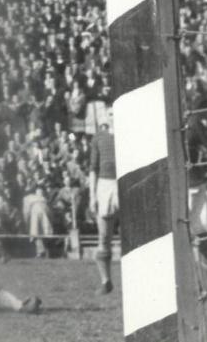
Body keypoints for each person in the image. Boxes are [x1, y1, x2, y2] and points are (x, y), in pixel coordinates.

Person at [89, 120, 118, 294]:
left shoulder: (129, 134)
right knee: (104, 236)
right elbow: (93, 169)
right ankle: (106, 281)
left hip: (125, 181)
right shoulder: (99, 137)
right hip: (105, 185)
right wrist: (92, 196)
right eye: (110, 112)